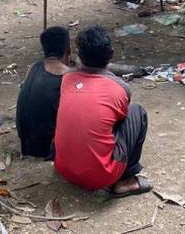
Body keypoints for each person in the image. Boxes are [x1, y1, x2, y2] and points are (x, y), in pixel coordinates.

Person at [54, 25, 151, 197]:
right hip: (101, 177)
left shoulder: (66, 80)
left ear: (79, 56)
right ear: (111, 54)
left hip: (64, 170)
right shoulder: (120, 88)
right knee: (136, 112)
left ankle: (84, 163)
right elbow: (119, 120)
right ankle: (123, 180)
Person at [16, 26, 71, 158]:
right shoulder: (68, 76)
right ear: (68, 50)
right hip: (46, 149)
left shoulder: (33, 67)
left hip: (25, 142)